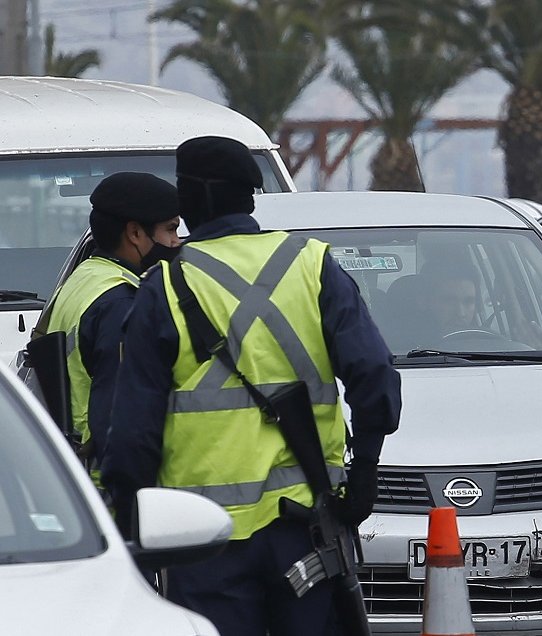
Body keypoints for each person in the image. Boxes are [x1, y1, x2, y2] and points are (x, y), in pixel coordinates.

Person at [101, 136, 402, 636]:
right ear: (249, 196)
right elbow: (373, 375)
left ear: (193, 199)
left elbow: (133, 429)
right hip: (307, 529)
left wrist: (129, 513)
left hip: (202, 539)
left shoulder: (165, 286)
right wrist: (364, 470)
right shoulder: (312, 265)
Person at [37, 172, 180, 472]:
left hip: (75, 463)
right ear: (135, 233)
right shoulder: (121, 303)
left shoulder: (85, 276)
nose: (176, 241)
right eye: (170, 229)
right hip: (103, 476)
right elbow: (123, 413)